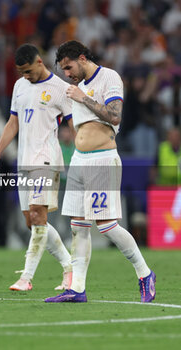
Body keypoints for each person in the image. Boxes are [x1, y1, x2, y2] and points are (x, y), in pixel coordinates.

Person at [45, 40, 156, 303]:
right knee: (78, 226)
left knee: (106, 225)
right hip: (80, 161)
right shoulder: (76, 87)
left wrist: (83, 98)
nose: (67, 74)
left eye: (69, 67)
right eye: (63, 70)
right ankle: (78, 289)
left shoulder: (109, 77)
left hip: (102, 160)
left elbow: (115, 116)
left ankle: (145, 273)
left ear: (82, 58)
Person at [0, 44, 73, 291]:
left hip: (46, 159)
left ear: (39, 62)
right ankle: (69, 267)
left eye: (27, 71)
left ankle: (26, 278)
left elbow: (73, 124)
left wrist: (81, 154)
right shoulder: (19, 86)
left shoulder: (60, 89)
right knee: (33, 222)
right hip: (24, 161)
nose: (25, 76)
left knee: (38, 215)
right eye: (21, 72)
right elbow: (13, 122)